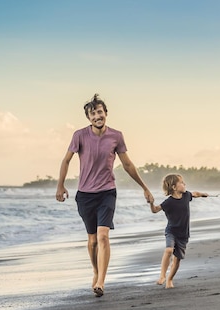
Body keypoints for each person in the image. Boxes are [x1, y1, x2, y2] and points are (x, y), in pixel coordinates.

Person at [56, 94, 153, 297]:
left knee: (103, 236)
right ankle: (95, 271)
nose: (97, 116)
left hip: (107, 192)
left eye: (100, 112)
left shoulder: (116, 136)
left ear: (106, 114)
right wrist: (60, 185)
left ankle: (101, 281)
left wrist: (144, 187)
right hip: (84, 194)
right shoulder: (79, 136)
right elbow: (66, 161)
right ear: (89, 118)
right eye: (93, 113)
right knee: (92, 240)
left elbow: (127, 165)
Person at [149, 174, 210, 289]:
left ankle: (170, 279)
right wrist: (151, 203)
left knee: (177, 260)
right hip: (171, 231)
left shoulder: (186, 195)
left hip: (183, 234)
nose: (184, 184)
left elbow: (195, 193)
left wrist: (203, 194)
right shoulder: (168, 202)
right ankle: (162, 276)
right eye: (181, 182)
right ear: (174, 187)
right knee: (168, 250)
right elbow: (155, 210)